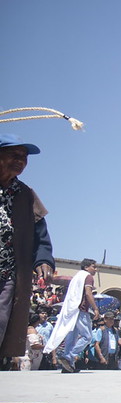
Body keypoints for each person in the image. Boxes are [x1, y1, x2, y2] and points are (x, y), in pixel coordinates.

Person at [0, 134, 55, 359]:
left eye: (24, 157)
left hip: (8, 273)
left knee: (2, 321)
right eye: (14, 154)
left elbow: (41, 234)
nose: (20, 160)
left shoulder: (25, 194)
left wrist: (43, 259)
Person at [44, 258, 100, 373]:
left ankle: (68, 366)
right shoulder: (88, 277)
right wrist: (95, 308)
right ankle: (69, 356)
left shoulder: (77, 276)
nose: (96, 269)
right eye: (94, 266)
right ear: (86, 267)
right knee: (87, 336)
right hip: (81, 310)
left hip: (72, 309)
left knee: (72, 337)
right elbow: (88, 293)